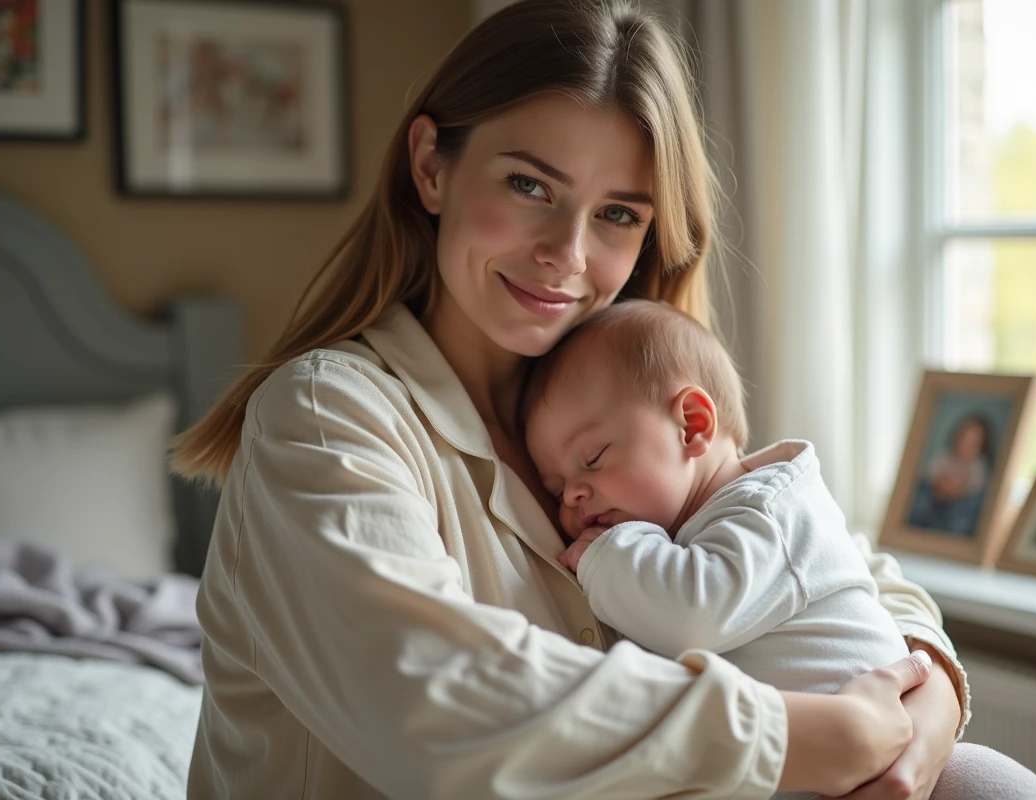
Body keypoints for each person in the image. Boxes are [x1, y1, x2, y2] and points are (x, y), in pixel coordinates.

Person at [172, 2, 972, 797]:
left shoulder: (620, 405)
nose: (568, 253)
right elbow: (434, 703)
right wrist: (801, 737)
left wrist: (929, 685)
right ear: (431, 167)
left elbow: (826, 550)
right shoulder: (324, 417)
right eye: (529, 184)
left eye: (618, 213)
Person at [523, 300, 1036, 800]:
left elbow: (692, 615)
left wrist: (608, 553)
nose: (572, 496)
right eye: (554, 487)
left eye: (592, 458)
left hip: (884, 763)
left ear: (693, 425)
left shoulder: (765, 513)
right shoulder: (714, 521)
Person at [908, 414, 994, 537]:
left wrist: (956, 489)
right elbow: (932, 475)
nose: (966, 445)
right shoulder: (944, 457)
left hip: (959, 505)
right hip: (936, 498)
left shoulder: (978, 466)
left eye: (973, 442)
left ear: (981, 446)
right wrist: (941, 486)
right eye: (965, 438)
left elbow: (974, 486)